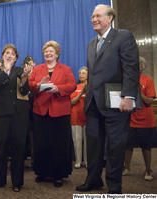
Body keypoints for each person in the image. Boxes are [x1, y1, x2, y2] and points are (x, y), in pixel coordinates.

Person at [76, 4, 139, 194]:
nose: (94, 19)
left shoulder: (123, 36)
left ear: (110, 18)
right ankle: (93, 180)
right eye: (92, 17)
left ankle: (114, 186)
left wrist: (129, 96)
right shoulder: (91, 44)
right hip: (93, 104)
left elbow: (131, 68)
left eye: (98, 16)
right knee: (93, 146)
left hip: (117, 104)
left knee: (115, 147)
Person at [28, 40, 76, 188]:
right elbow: (29, 85)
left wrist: (58, 89)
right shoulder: (37, 69)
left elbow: (72, 85)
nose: (48, 54)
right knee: (41, 144)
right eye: (46, 52)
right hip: (40, 111)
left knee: (59, 145)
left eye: (51, 51)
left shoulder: (66, 69)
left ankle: (58, 175)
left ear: (57, 54)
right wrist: (38, 85)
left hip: (60, 112)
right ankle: (41, 172)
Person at [0, 44, 33, 192]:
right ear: (2, 56)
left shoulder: (20, 71)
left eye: (13, 54)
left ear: (16, 58)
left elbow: (25, 91)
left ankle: (17, 182)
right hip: (1, 113)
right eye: (7, 53)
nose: (9, 55)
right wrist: (5, 71)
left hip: (19, 113)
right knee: (0, 148)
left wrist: (25, 77)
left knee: (18, 148)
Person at [122, 57, 157, 181]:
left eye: (137, 63)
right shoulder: (126, 79)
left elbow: (148, 101)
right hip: (130, 118)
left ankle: (148, 170)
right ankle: (126, 168)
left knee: (146, 146)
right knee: (128, 145)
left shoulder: (148, 80)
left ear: (142, 67)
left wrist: (136, 90)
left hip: (146, 120)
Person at [71, 67, 88, 169]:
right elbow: (72, 102)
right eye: (80, 73)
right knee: (77, 141)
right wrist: (81, 93)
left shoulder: (91, 87)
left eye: (83, 73)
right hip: (75, 118)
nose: (81, 75)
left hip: (88, 119)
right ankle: (78, 161)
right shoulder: (75, 87)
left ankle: (86, 161)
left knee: (87, 142)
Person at [22, 55, 36, 168]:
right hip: (21, 114)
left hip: (34, 114)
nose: (29, 66)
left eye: (30, 64)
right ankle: (20, 161)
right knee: (21, 139)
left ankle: (34, 162)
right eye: (26, 65)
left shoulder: (38, 77)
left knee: (34, 140)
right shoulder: (21, 78)